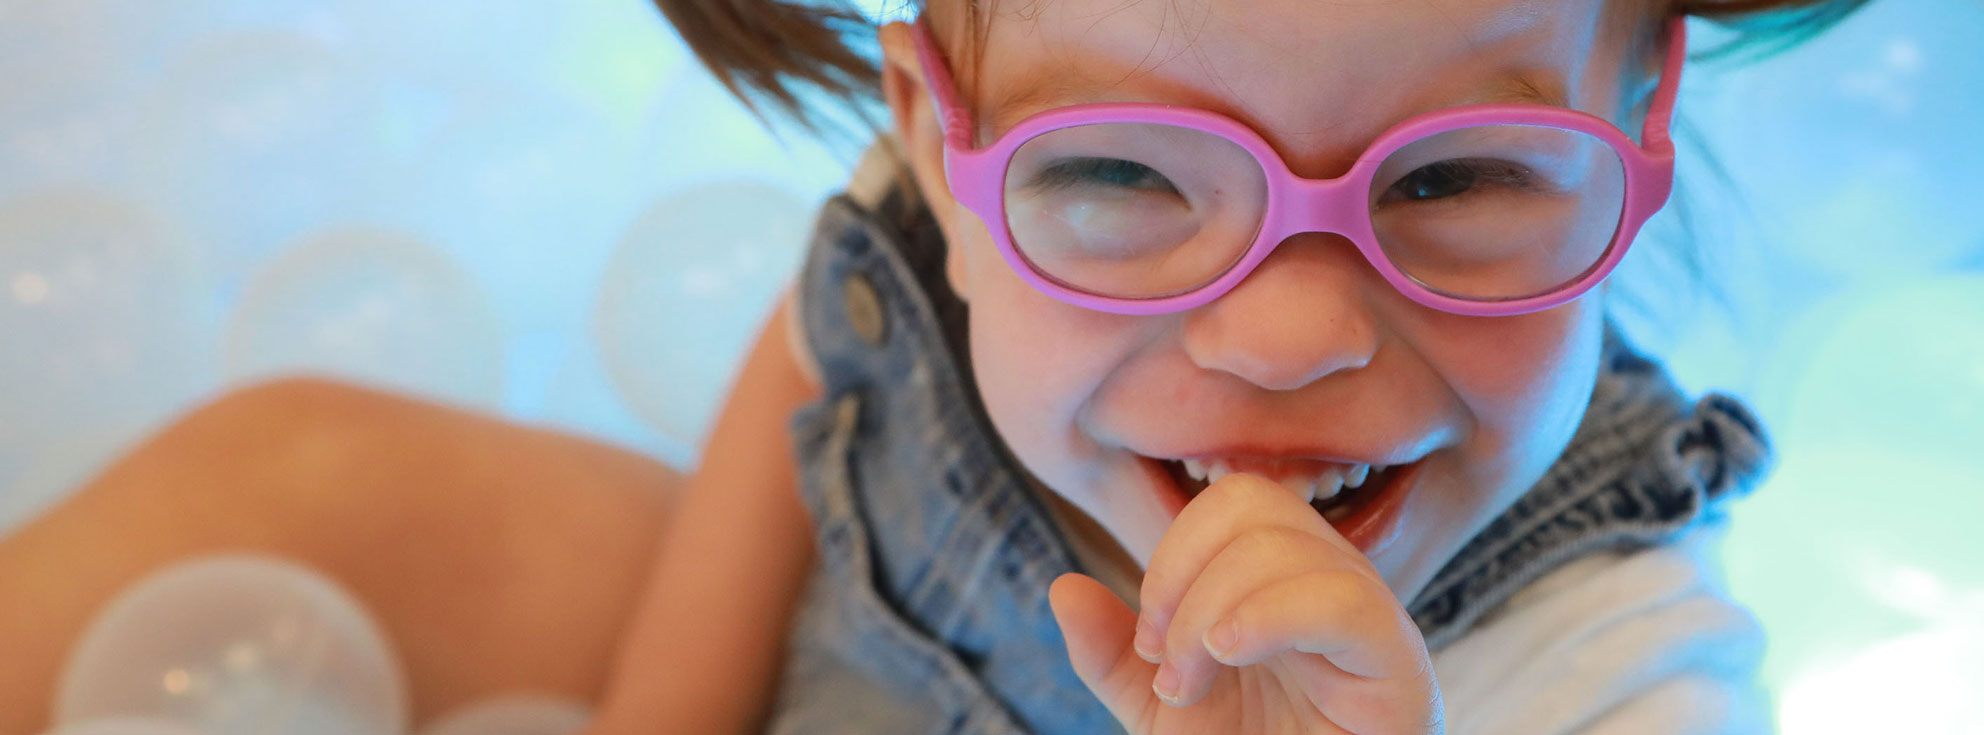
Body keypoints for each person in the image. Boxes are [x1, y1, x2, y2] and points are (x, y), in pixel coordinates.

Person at [0, 0, 1857, 733]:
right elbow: (817, 372)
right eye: (1126, 174)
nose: (1288, 329)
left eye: (1456, 183)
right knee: (297, 478)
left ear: (1642, 122)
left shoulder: (1621, 679)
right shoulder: (964, 191)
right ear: (947, 145)